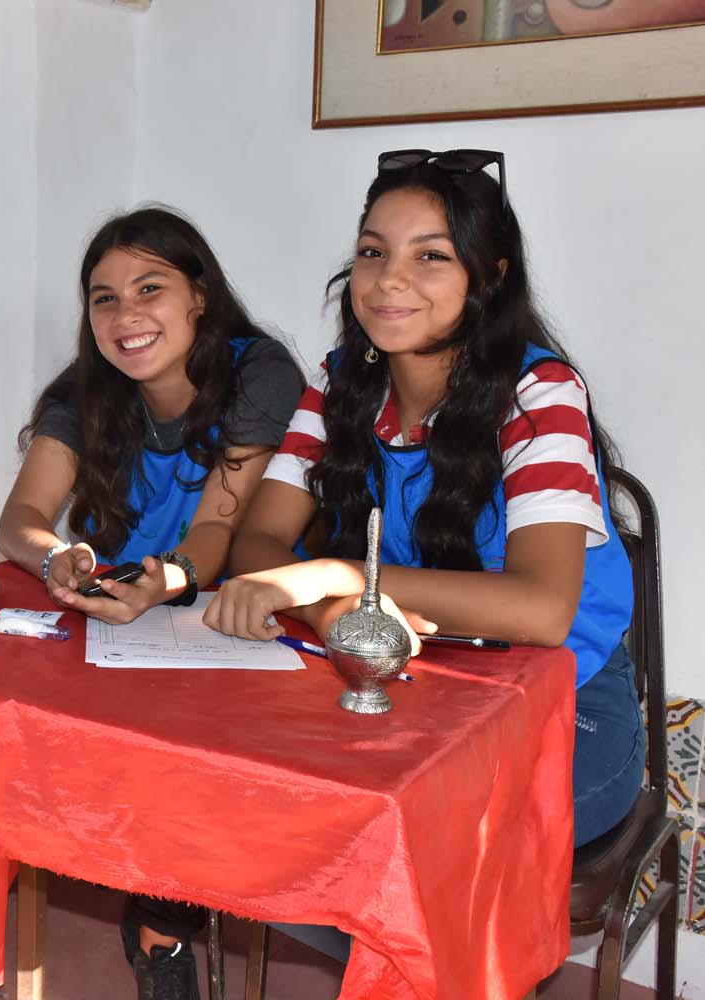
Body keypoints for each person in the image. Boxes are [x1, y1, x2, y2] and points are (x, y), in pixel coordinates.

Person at [198, 148, 641, 973]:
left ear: (490, 278)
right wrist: (337, 611)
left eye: (430, 255)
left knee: (423, 854)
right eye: (373, 251)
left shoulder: (539, 393)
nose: (389, 279)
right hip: (415, 678)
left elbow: (542, 610)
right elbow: (256, 545)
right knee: (261, 812)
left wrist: (341, 576)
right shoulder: (339, 381)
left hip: (566, 701)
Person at [0, 205, 303, 997]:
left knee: (199, 755)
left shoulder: (260, 373)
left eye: (149, 288)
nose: (125, 315)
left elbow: (220, 530)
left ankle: (161, 924)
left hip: (237, 616)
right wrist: (58, 555)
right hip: (128, 622)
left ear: (200, 295)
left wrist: (166, 580)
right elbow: (20, 520)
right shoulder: (84, 393)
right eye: (104, 298)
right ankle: (152, 905)